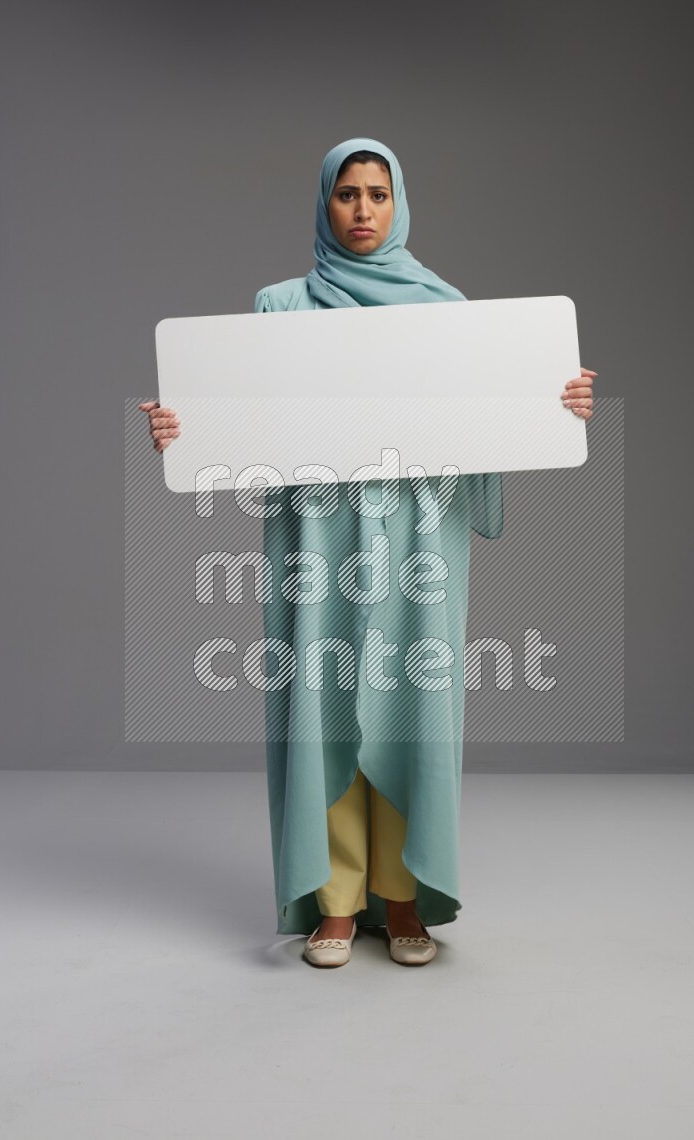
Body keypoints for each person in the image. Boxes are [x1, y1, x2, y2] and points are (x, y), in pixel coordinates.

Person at [139, 136, 595, 969]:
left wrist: (554, 402)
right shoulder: (281, 308)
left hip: (421, 535)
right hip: (317, 536)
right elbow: (241, 423)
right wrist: (181, 427)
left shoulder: (448, 307)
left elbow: (488, 419)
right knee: (323, 705)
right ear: (324, 203)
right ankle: (338, 901)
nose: (361, 211)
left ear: (399, 203)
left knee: (410, 703)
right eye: (346, 194)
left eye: (377, 195)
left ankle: (402, 895)